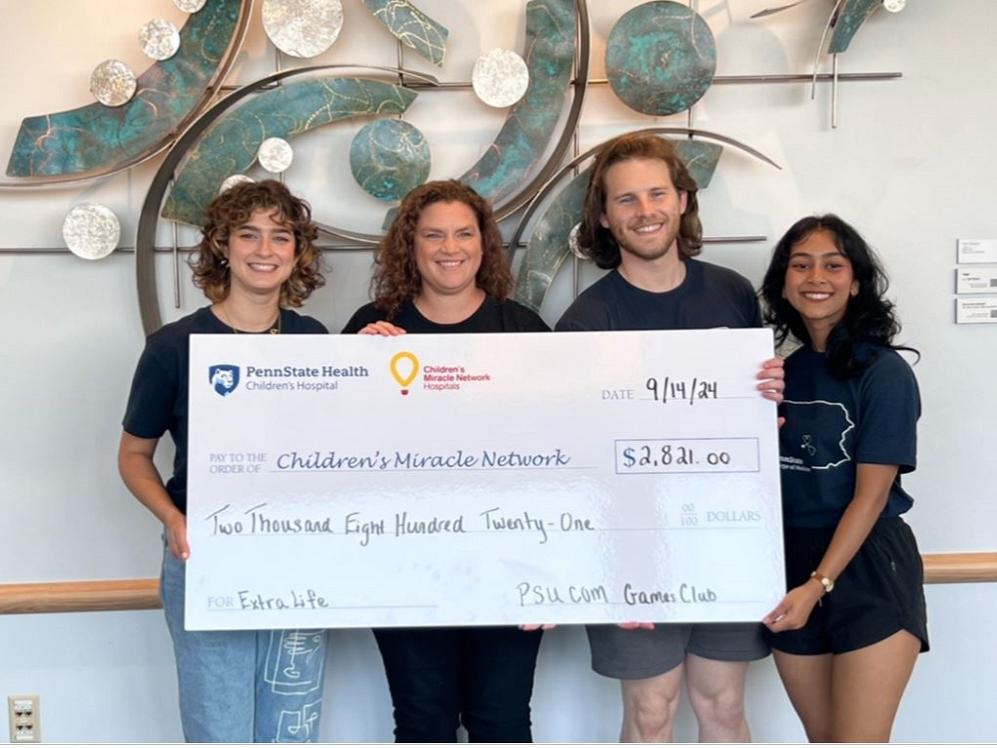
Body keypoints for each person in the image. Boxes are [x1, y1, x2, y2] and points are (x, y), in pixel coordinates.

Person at [555, 132, 784, 743]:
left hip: (726, 537)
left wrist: (767, 401)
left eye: (658, 193)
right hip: (634, 549)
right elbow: (577, 455)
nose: (645, 210)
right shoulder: (586, 322)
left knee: (724, 709)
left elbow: (749, 414)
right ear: (604, 217)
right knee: (651, 713)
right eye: (626, 200)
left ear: (683, 200)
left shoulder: (733, 294)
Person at [118, 180, 329, 742]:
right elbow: (134, 456)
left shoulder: (317, 342)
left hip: (297, 552)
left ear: (297, 251)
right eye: (248, 235)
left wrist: (383, 360)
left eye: (279, 236)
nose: (265, 250)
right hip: (205, 553)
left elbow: (345, 448)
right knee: (221, 729)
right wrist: (172, 519)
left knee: (291, 727)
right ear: (222, 246)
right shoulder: (173, 346)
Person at [342, 179, 549, 742]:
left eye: (463, 233)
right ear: (410, 246)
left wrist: (562, 574)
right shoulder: (374, 326)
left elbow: (564, 459)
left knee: (502, 722)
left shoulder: (522, 328)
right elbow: (335, 452)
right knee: (422, 721)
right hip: (405, 565)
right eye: (432, 234)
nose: (448, 247)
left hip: (509, 564)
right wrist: (351, 372)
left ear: (484, 245)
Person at [760, 214, 928, 742]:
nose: (816, 277)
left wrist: (818, 585)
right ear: (784, 282)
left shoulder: (884, 372)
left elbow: (871, 496)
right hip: (792, 557)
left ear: (856, 282)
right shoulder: (775, 373)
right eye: (801, 264)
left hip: (867, 565)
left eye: (834, 265)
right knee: (824, 739)